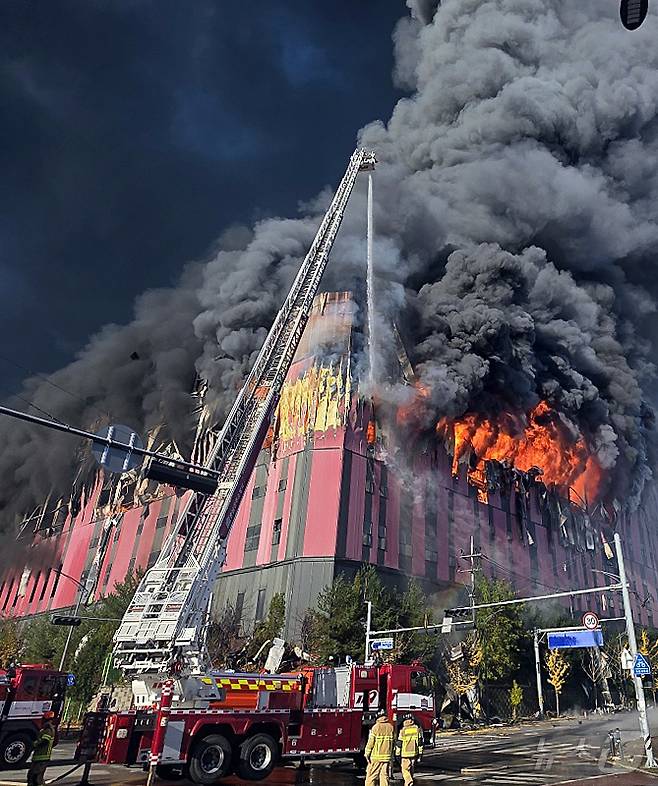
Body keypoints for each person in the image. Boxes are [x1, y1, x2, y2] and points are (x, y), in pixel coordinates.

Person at [364, 708, 395, 786]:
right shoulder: (390, 727)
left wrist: (367, 753)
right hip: (387, 757)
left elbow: (371, 742)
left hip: (376, 757)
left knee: (371, 776)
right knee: (384, 776)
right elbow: (393, 742)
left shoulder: (376, 727)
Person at [27, 711, 56, 786]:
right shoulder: (45, 729)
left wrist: (34, 744)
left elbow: (45, 741)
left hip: (42, 757)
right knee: (31, 775)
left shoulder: (48, 730)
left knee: (36, 777)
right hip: (38, 757)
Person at [395, 714, 424, 786]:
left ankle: (409, 782)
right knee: (411, 768)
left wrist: (397, 754)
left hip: (405, 753)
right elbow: (420, 742)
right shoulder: (417, 729)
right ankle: (409, 781)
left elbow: (399, 743)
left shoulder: (403, 730)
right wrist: (420, 753)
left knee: (405, 769)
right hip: (414, 752)